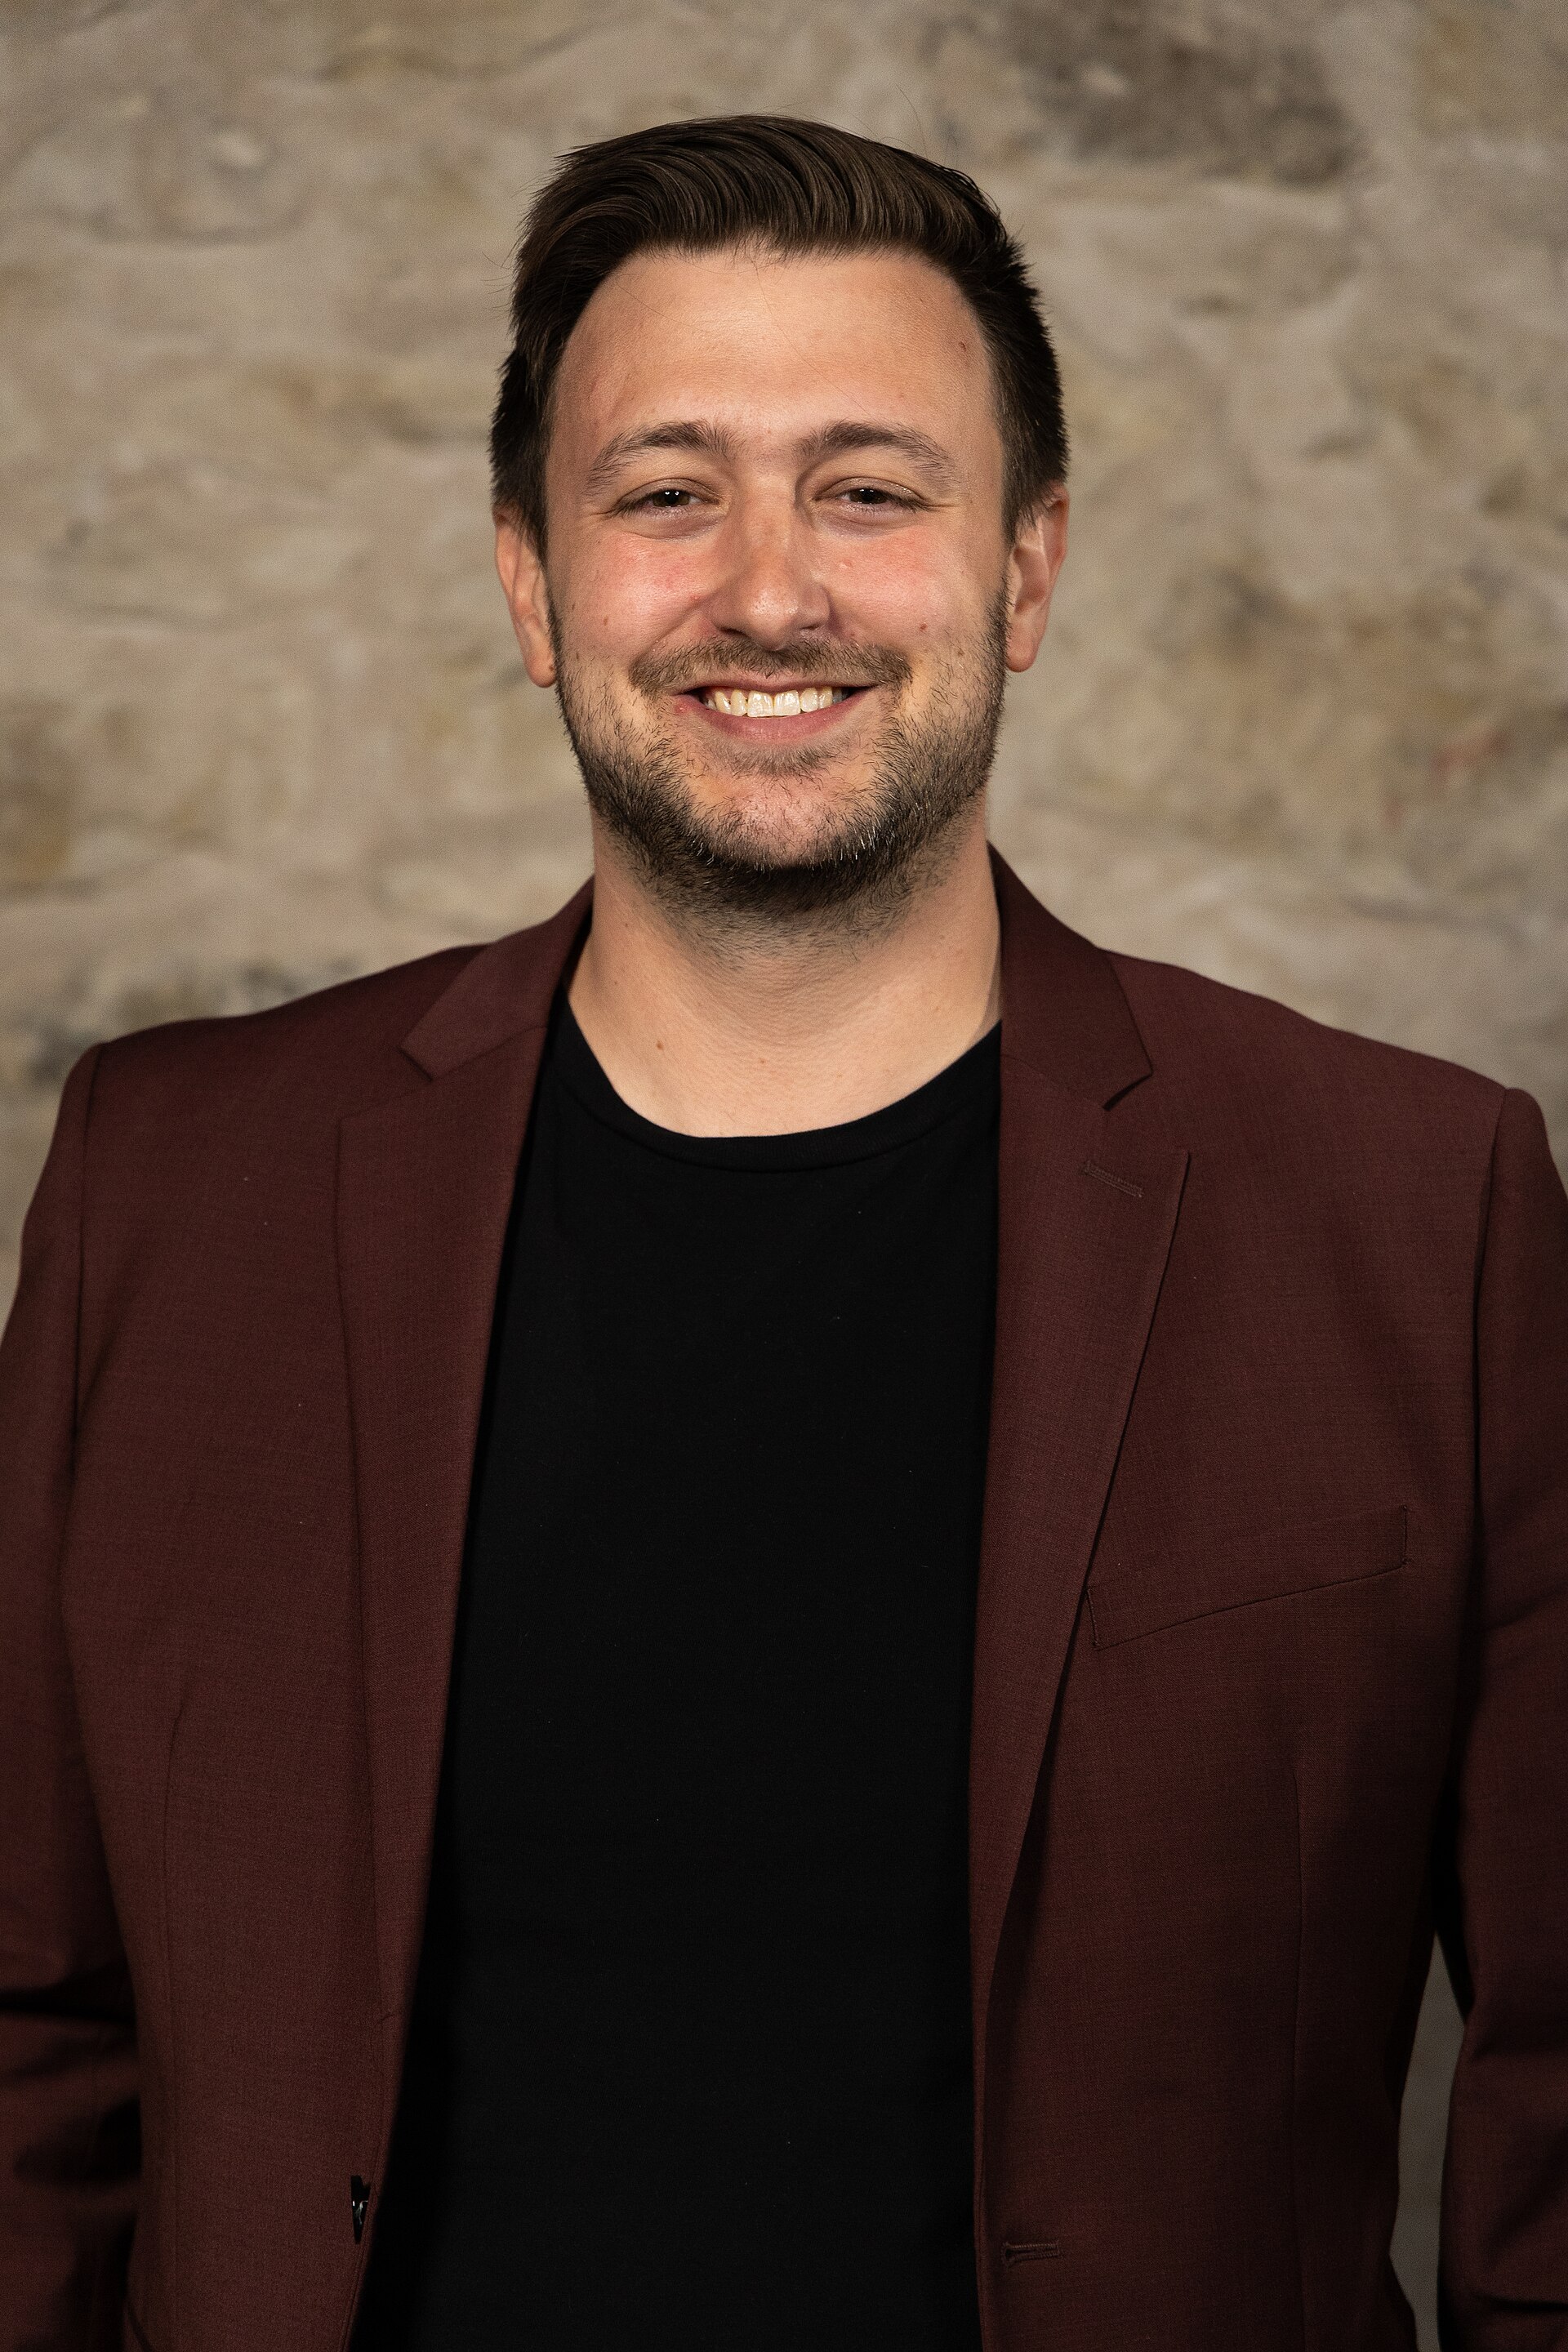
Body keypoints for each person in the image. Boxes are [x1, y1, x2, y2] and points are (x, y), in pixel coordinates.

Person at [1, 113, 1564, 2352]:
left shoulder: (1418, 1215)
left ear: (1024, 570)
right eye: (666, 491)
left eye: (870, 486)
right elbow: (23, 2023)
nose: (769, 589)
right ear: (534, 585)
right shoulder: (179, 1184)